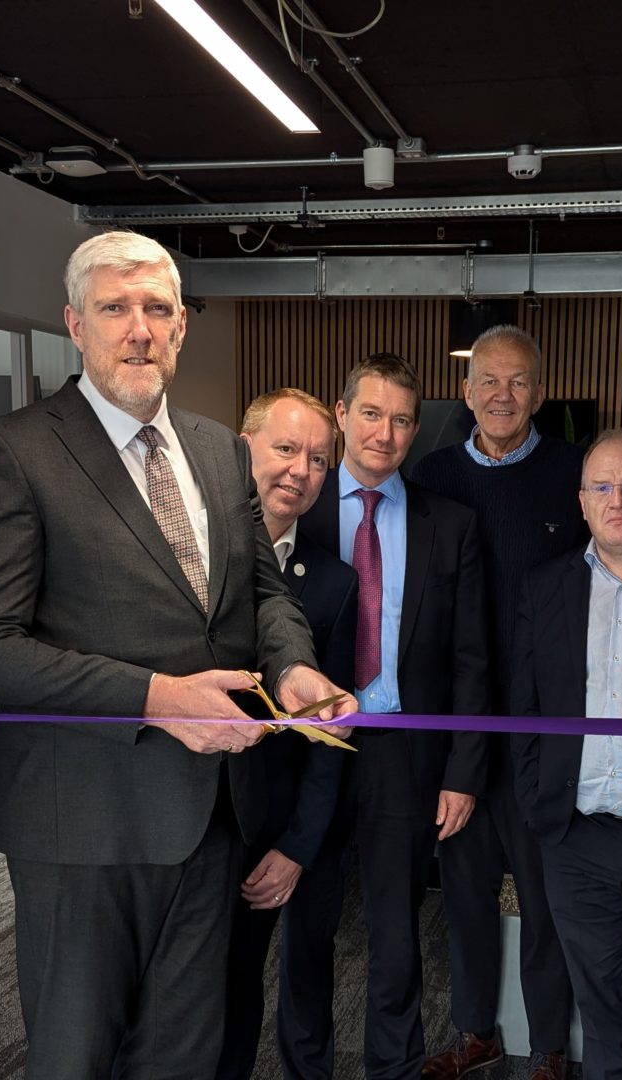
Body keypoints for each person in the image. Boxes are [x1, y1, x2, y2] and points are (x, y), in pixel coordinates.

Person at [0, 230, 355, 1080]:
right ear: (75, 323)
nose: (138, 329)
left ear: (180, 329)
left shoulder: (216, 449)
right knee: (80, 1057)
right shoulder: (15, 450)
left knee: (185, 1056)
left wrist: (292, 668)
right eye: (114, 308)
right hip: (81, 823)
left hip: (212, 820)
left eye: (157, 310)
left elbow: (263, 593)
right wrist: (154, 698)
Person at [277, 353, 489, 1080]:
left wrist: (462, 771)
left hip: (405, 752)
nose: (386, 432)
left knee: (397, 931)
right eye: (371, 413)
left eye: (403, 419)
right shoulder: (292, 511)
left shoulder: (449, 524)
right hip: (307, 752)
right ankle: (306, 1068)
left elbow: (471, 658)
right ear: (342, 415)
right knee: (307, 929)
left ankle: (391, 1069)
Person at [410, 325, 582, 1080]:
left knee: (547, 905)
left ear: (539, 393)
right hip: (461, 737)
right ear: (468, 390)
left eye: (518, 382)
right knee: (465, 897)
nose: (502, 396)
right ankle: (475, 1031)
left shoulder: (578, 475)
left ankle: (548, 1046)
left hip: (548, 734)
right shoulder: (433, 475)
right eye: (487, 381)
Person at [512, 430, 622, 1080]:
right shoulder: (545, 586)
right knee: (605, 1016)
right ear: (582, 502)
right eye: (602, 487)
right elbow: (523, 707)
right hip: (575, 840)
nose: (618, 499)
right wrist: (536, 798)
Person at [217, 388, 358, 1080]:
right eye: (285, 448)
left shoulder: (334, 583)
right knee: (202, 998)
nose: (301, 470)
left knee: (284, 988)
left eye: (319, 459)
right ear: (243, 447)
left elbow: (330, 732)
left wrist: (297, 847)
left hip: (290, 827)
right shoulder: (192, 562)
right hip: (202, 828)